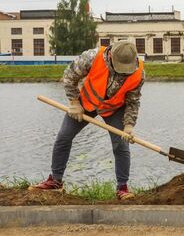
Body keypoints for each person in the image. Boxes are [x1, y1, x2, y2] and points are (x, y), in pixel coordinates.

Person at [28, 41, 145, 200]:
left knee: (120, 145)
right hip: (86, 103)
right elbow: (69, 76)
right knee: (64, 137)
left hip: (114, 108)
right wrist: (74, 103)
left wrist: (129, 125)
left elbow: (133, 101)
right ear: (110, 56)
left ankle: (122, 188)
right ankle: (55, 182)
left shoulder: (138, 73)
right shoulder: (92, 57)